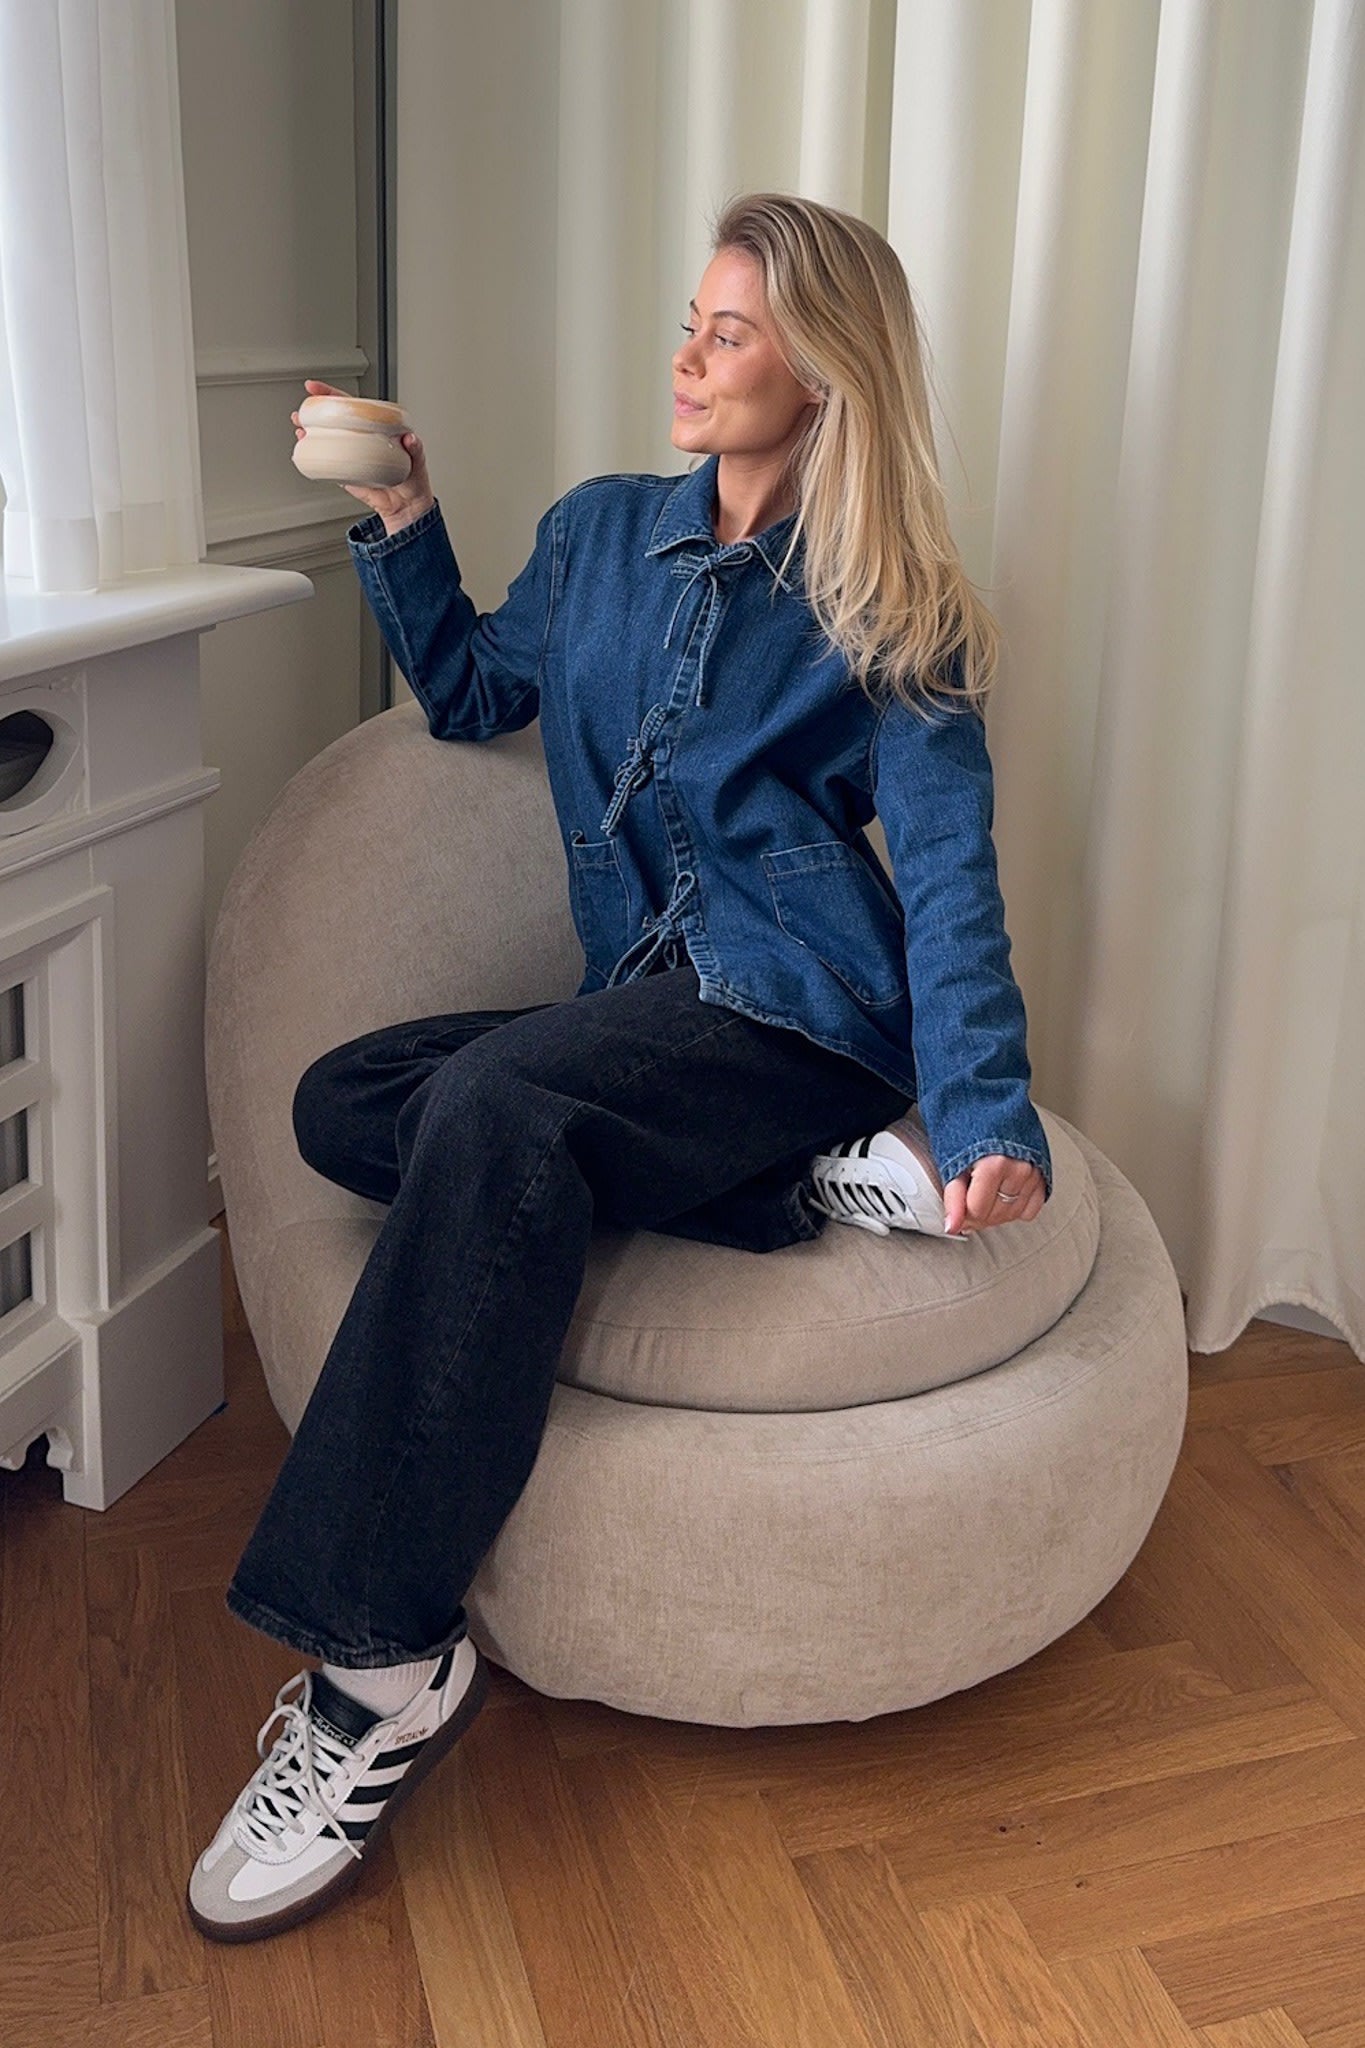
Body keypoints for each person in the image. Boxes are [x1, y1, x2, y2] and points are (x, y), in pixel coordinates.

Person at [187, 192, 1051, 1943]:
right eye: (690, 322)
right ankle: (786, 1191)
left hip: (798, 1013)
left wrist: (980, 1107)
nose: (687, 358)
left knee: (500, 1110)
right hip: (644, 1014)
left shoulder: (889, 603)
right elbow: (468, 692)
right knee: (345, 1099)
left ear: (822, 374)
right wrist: (402, 512)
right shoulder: (596, 534)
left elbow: (951, 875)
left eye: (729, 335)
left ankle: (378, 1664)